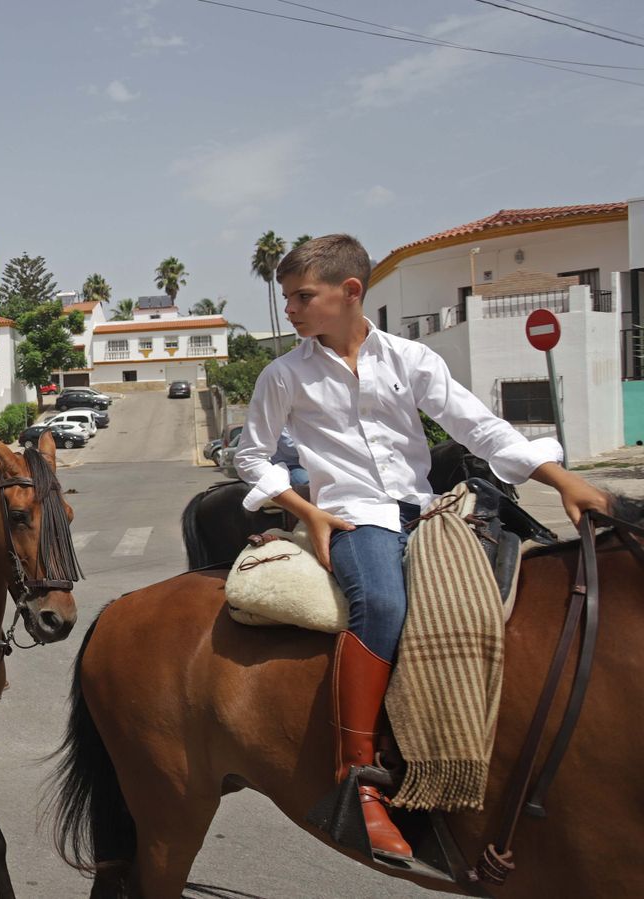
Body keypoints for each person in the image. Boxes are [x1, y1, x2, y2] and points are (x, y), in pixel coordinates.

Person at [233, 234, 609, 861]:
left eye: (302, 297)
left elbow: (478, 427)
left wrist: (561, 479)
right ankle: (357, 781)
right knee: (381, 606)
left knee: (511, 598)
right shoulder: (285, 374)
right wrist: (307, 512)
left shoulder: (411, 358)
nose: (291, 310)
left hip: (426, 510)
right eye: (289, 298)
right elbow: (252, 455)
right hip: (353, 517)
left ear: (350, 291)